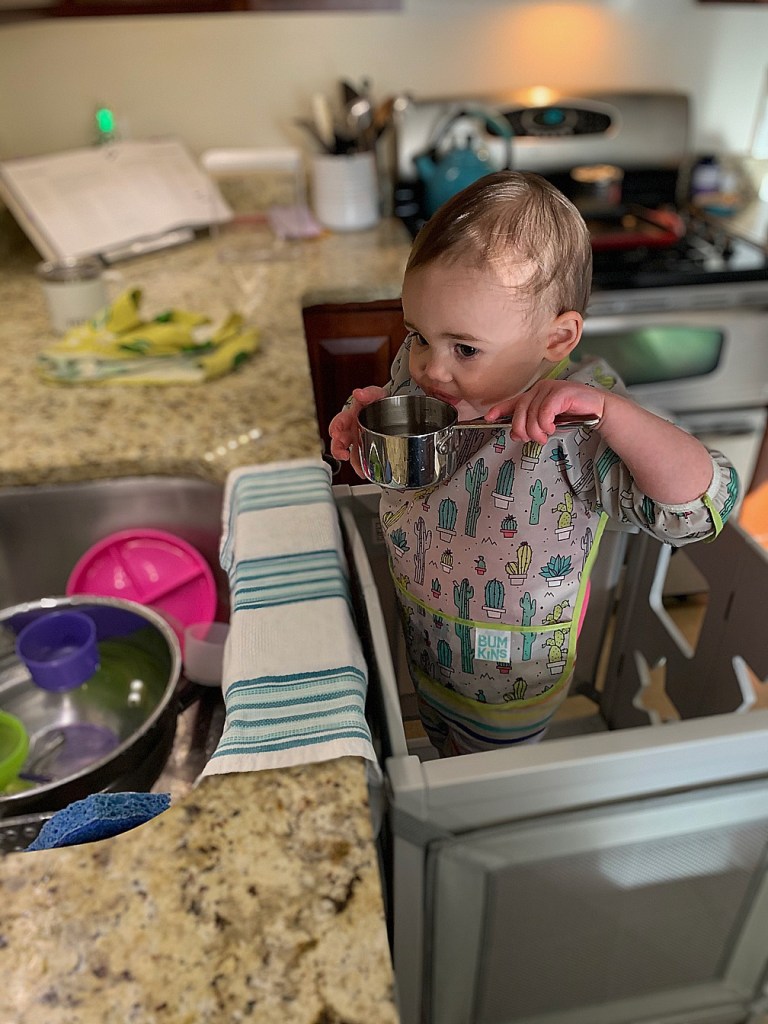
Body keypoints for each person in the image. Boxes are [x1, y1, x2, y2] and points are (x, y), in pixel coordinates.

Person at [329, 171, 739, 757]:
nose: (430, 368)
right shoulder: (429, 377)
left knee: (482, 791)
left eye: (464, 348)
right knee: (442, 758)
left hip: (511, 681)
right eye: (418, 334)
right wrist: (370, 424)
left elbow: (701, 508)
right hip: (425, 643)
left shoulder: (579, 423)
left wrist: (614, 416)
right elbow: (407, 471)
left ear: (557, 339)